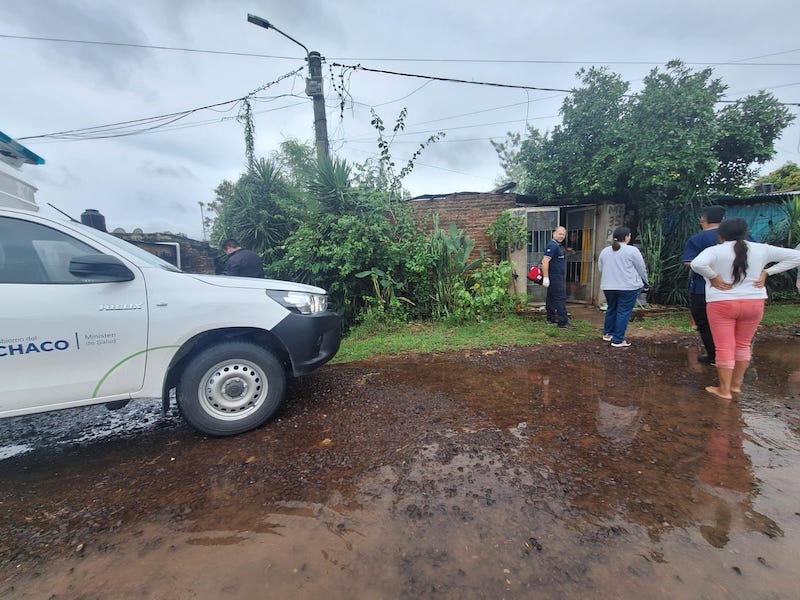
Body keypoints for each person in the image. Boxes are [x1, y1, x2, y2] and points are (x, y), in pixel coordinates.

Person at [690, 218, 800, 400]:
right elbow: (797, 256)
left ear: (720, 235)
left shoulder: (715, 250)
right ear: (745, 233)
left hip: (721, 303)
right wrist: (768, 272)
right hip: (754, 302)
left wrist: (713, 276)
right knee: (743, 345)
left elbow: (697, 264)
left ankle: (724, 390)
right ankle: (736, 386)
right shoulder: (762, 249)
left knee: (725, 346)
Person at [681, 205, 726, 366]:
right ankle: (731, 355)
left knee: (705, 323)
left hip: (702, 289)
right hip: (734, 289)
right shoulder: (743, 238)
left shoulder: (697, 239)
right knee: (729, 322)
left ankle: (714, 354)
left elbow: (688, 262)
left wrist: (711, 273)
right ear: (724, 220)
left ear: (703, 220)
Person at [598, 226, 649, 348]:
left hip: (608, 286)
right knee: (623, 312)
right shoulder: (632, 251)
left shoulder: (605, 251)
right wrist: (646, 281)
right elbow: (641, 268)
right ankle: (618, 339)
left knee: (612, 308)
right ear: (627, 237)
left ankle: (608, 333)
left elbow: (601, 268)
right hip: (628, 286)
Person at [541, 226, 572, 329]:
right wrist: (545, 277)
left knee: (551, 297)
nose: (562, 236)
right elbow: (545, 261)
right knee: (560, 298)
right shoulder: (553, 245)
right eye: (560, 234)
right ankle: (563, 322)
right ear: (554, 234)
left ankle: (550, 318)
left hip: (556, 276)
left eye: (563, 234)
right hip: (555, 277)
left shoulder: (558, 245)